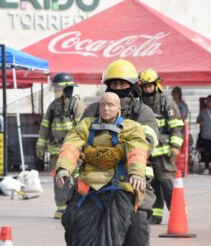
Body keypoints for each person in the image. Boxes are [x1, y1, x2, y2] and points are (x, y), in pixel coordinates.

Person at [80, 59, 158, 246]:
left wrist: (110, 153)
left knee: (136, 231)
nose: (118, 87)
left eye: (122, 84)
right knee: (77, 225)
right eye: (114, 83)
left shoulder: (143, 112)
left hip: (132, 181)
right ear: (107, 85)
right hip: (95, 180)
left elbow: (147, 143)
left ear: (131, 86)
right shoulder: (93, 110)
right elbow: (78, 138)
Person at [56, 92, 148, 246]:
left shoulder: (132, 128)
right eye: (103, 105)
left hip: (119, 187)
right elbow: (71, 146)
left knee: (111, 236)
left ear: (119, 108)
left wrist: (137, 173)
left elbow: (137, 150)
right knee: (81, 234)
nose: (106, 109)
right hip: (89, 188)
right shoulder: (85, 125)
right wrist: (64, 168)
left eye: (110, 105)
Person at [138, 68, 184, 225]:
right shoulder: (139, 103)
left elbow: (176, 126)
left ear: (156, 85)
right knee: (153, 184)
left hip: (164, 153)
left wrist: (176, 146)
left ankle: (177, 213)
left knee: (166, 183)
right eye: (145, 86)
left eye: (150, 85)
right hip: (147, 153)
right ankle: (156, 215)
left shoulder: (166, 103)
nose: (148, 89)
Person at [36, 73, 84, 219]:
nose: (55, 91)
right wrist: (40, 145)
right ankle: (61, 208)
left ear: (67, 89)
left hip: (73, 151)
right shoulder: (52, 107)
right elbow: (45, 126)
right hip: (56, 151)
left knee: (77, 179)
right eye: (55, 87)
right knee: (59, 180)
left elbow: (82, 128)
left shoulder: (77, 105)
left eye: (58, 88)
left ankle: (78, 206)